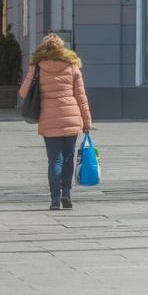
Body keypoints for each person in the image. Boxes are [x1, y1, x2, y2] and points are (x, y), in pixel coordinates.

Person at [18, 33, 93, 211]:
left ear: (44, 47)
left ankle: (54, 199)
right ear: (62, 47)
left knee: (54, 161)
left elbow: (23, 92)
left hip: (48, 118)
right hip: (71, 117)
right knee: (68, 158)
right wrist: (87, 122)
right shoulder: (72, 65)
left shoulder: (37, 66)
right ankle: (66, 194)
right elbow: (81, 96)